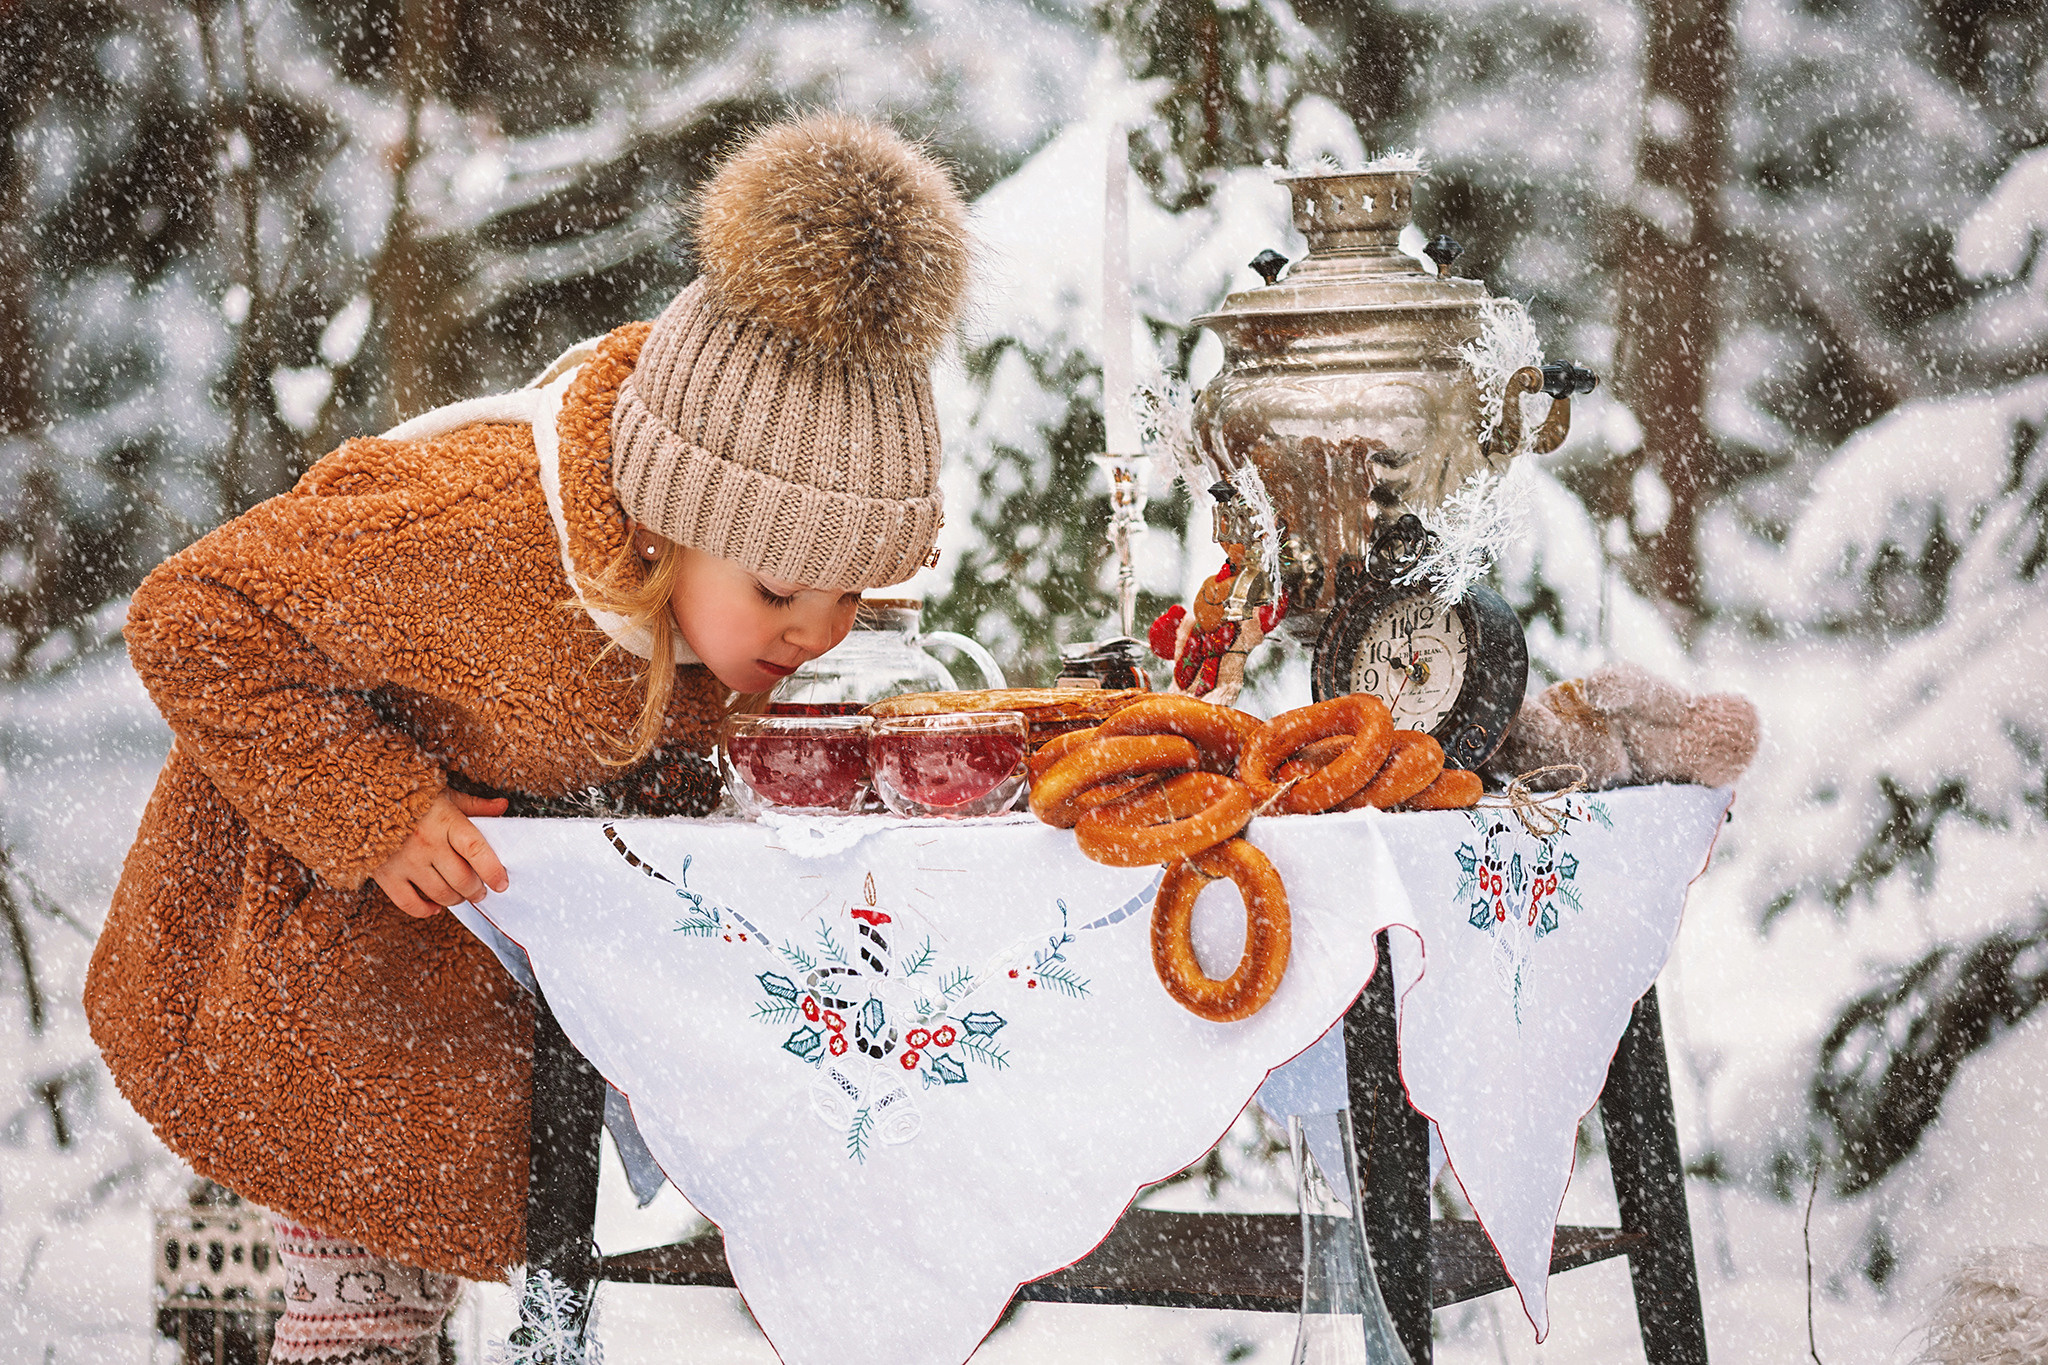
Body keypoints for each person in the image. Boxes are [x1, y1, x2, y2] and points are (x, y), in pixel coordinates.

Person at [84, 112, 971, 1364]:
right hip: (303, 924)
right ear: (668, 518)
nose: (812, 635)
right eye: (780, 594)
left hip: (476, 942)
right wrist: (373, 806)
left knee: (443, 1251)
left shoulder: (699, 602)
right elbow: (194, 616)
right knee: (361, 1300)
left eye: (852, 601)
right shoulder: (482, 538)